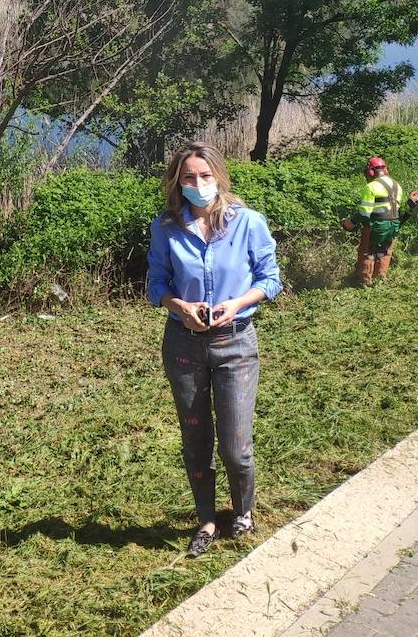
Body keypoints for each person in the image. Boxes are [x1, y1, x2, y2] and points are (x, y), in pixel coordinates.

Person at [147, 143, 281, 557]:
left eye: (205, 176)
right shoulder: (166, 226)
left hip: (236, 344)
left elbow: (270, 279)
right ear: (177, 182)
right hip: (183, 345)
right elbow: (156, 284)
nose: (199, 184)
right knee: (196, 441)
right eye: (189, 177)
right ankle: (206, 517)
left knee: (235, 447)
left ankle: (243, 512)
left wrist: (238, 303)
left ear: (220, 177)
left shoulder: (248, 223)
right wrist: (179, 306)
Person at [340, 157, 418, 285]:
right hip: (394, 224)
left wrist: (350, 223)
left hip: (377, 224)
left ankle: (364, 281)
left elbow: (364, 214)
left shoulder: (371, 187)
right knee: (384, 252)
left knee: (367, 252)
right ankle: (379, 279)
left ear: (370, 172)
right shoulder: (397, 185)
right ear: (386, 170)